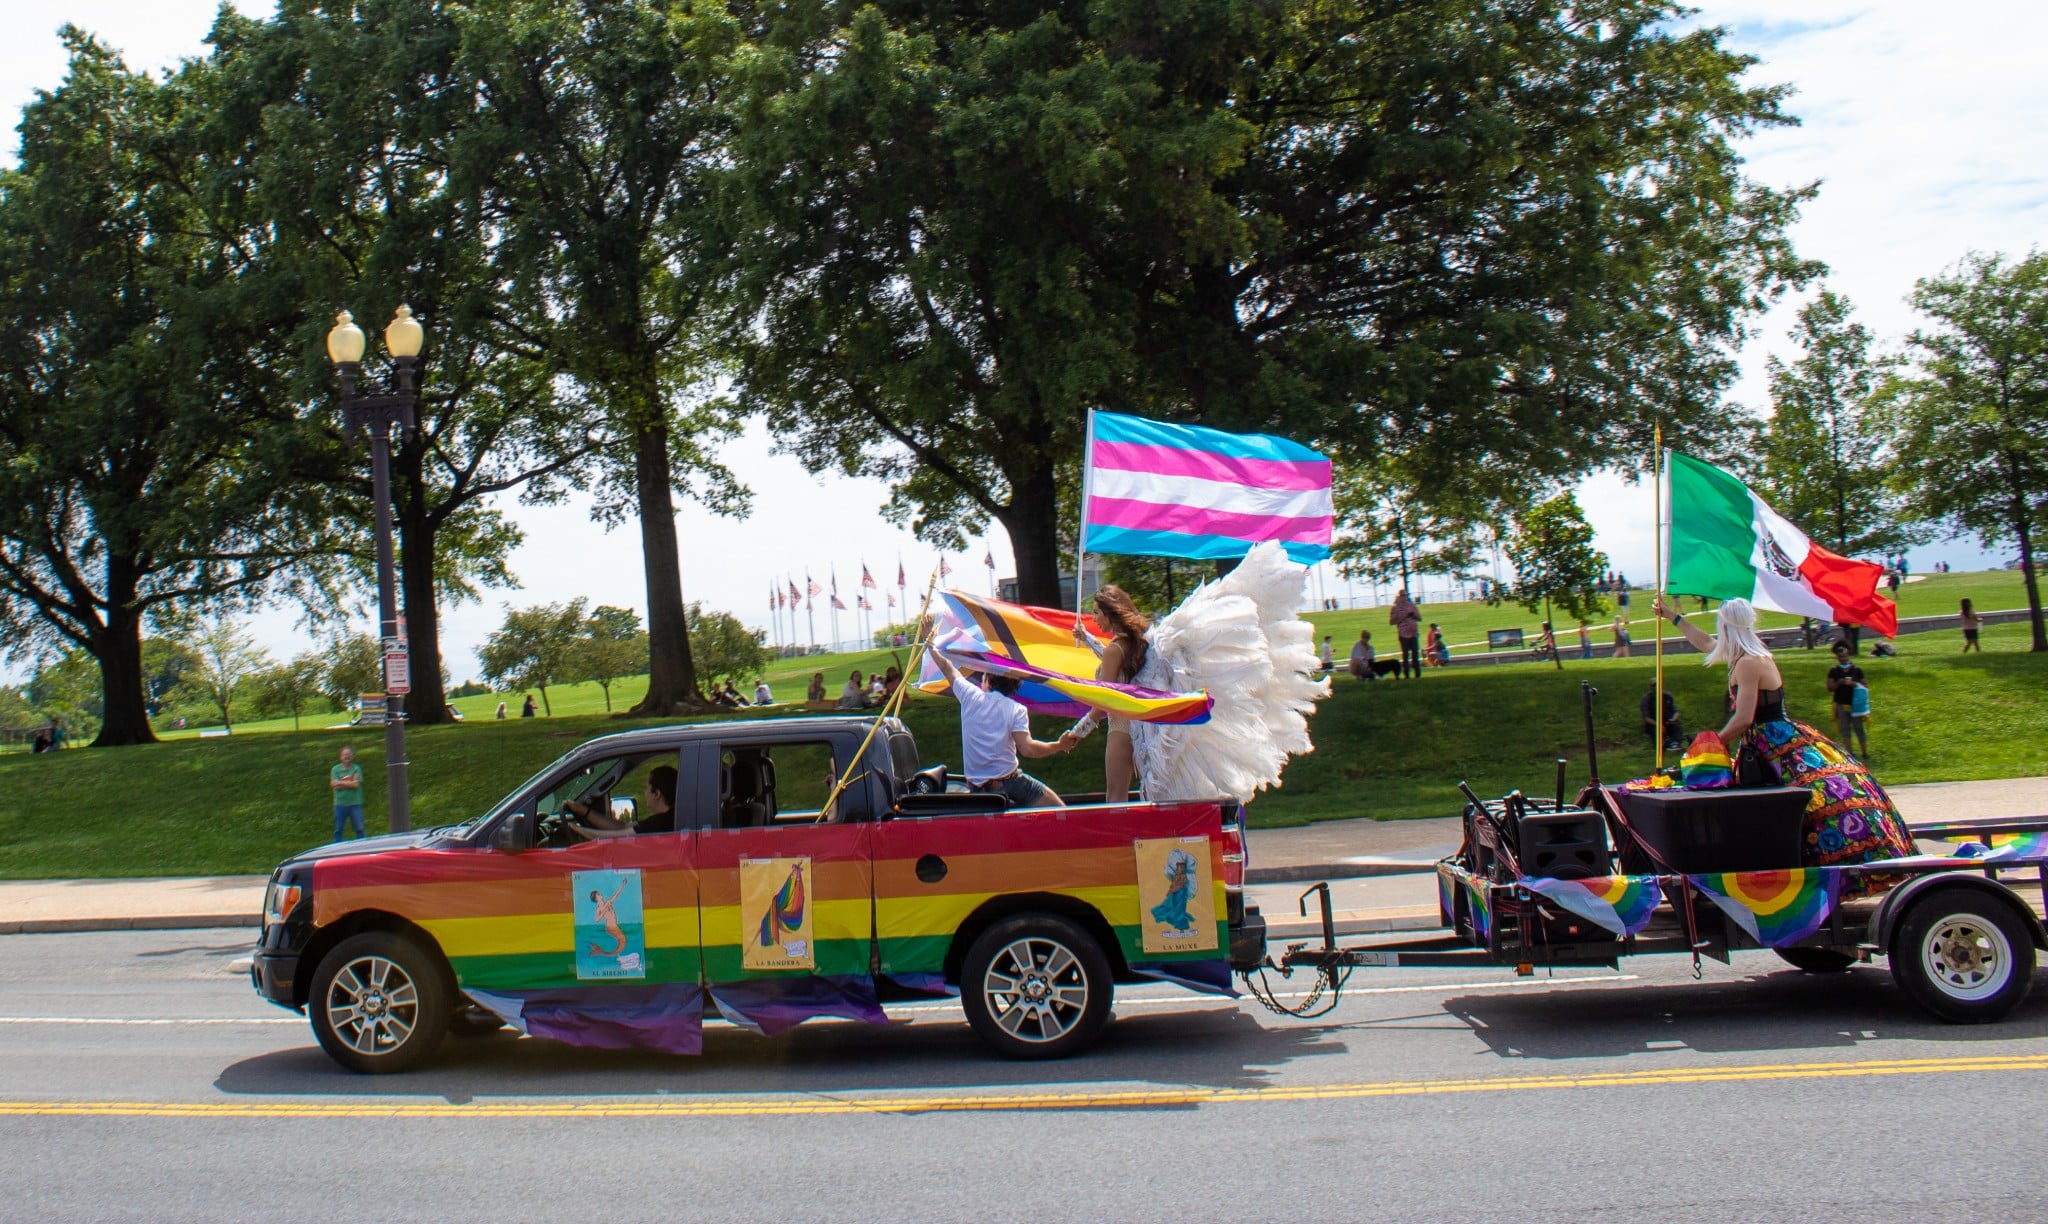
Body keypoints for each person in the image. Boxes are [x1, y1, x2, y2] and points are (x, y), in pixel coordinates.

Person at [1656, 594, 1911, 888]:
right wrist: (1672, 618)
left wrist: (1711, 743)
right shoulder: (1750, 654)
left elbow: (1745, 718)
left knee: (1803, 805)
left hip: (1772, 744)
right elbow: (1707, 644)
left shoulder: (1748, 663)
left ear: (1725, 626)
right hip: (1773, 739)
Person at [922, 617, 1075, 807]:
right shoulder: (1016, 709)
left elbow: (947, 667)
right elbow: (1027, 749)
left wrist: (928, 640)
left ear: (987, 679)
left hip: (977, 790)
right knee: (1060, 810)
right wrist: (1058, 745)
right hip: (1010, 784)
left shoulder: (969, 696)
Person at [1072, 584, 1151, 802]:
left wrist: (1078, 731)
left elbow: (1105, 700)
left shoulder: (1115, 649)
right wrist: (1088, 638)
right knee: (1151, 793)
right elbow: (1119, 673)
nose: (1094, 618)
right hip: (1145, 725)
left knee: (1116, 796)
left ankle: (1122, 837)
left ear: (1110, 613)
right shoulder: (1137, 642)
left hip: (1121, 727)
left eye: (1096, 612)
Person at [1825, 641, 1869, 758]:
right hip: (1840, 703)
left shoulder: (1857, 670)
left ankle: (1864, 752)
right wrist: (1839, 682)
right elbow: (1830, 687)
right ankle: (1850, 753)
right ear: (1837, 657)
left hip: (1855, 704)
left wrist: (1853, 683)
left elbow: (1865, 686)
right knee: (1845, 729)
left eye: (1845, 656)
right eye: (1840, 657)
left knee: (1859, 728)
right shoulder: (1834, 671)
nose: (1843, 659)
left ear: (1848, 655)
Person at [330, 746, 366, 841]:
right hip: (340, 804)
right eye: (345, 755)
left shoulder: (356, 768)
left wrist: (340, 782)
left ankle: (362, 849)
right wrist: (350, 781)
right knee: (338, 830)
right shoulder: (335, 769)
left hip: (355, 803)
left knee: (359, 829)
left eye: (349, 754)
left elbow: (355, 785)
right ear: (341, 757)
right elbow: (333, 785)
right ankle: (336, 851)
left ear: (352, 756)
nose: (347, 756)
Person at [1389, 589, 1422, 678]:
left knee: (1415, 654)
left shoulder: (1412, 605)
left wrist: (1414, 615)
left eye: (1406, 595)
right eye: (1403, 595)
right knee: (1405, 655)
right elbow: (1391, 622)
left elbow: (1419, 618)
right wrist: (1404, 616)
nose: (1405, 597)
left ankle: (1417, 674)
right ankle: (1406, 674)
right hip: (1403, 635)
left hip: (1413, 633)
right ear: (1399, 596)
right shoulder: (1395, 608)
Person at [1640, 687, 1682, 751]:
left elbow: (1676, 712)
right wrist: (1659, 725)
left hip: (1667, 721)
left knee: (1676, 726)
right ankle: (1663, 744)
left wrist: (1673, 719)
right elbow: (1646, 718)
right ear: (1651, 688)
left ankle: (1675, 744)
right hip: (1653, 723)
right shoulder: (1646, 698)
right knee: (1655, 730)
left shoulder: (1668, 696)